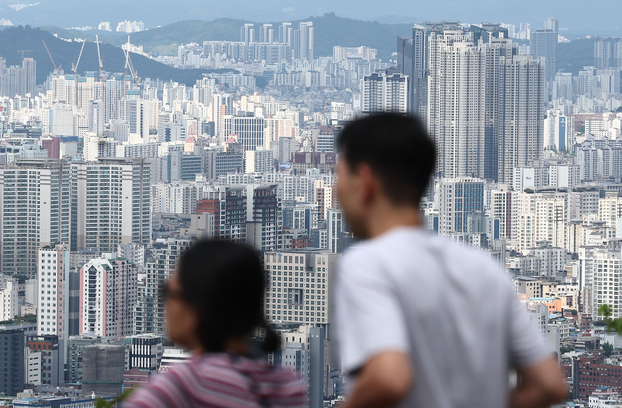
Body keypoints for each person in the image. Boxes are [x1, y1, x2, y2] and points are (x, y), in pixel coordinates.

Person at [333, 113, 568, 408]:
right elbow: (549, 385)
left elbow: (389, 377)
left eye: (338, 175)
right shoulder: (483, 268)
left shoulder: (368, 264)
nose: (335, 190)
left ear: (364, 181)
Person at [123, 240, 306, 408]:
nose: (165, 305)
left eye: (168, 293)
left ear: (194, 311)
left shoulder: (186, 384)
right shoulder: (287, 384)